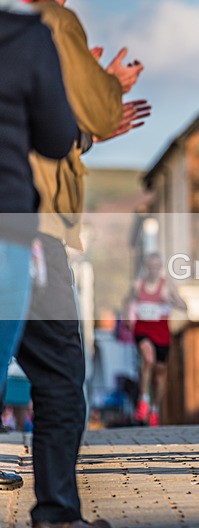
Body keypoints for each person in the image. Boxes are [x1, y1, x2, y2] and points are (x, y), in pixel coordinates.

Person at [17, 0, 145, 528]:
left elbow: (37, 130)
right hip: (31, 228)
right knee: (61, 373)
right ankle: (57, 516)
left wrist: (87, 134)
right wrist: (108, 84)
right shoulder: (53, 21)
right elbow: (89, 109)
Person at [0, 0, 77, 491]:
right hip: (8, 228)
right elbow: (56, 137)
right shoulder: (28, 36)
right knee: (59, 371)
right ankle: (56, 513)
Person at [127, 252, 187, 427]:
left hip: (161, 331)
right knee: (148, 359)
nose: (153, 270)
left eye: (156, 267)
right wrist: (128, 318)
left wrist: (171, 300)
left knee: (160, 374)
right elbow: (128, 303)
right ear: (146, 268)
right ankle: (144, 400)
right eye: (150, 267)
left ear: (160, 268)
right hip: (143, 329)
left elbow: (184, 305)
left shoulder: (167, 285)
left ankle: (155, 410)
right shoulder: (138, 285)